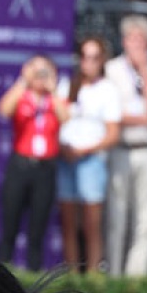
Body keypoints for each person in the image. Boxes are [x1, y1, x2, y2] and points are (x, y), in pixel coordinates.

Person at [105, 14, 147, 276]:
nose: (136, 44)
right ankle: (113, 277)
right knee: (117, 217)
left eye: (141, 39)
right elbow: (113, 115)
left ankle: (136, 279)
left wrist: (143, 71)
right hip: (120, 150)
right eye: (131, 38)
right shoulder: (112, 70)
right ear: (123, 41)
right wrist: (142, 118)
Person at [0, 55, 69, 271]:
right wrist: (23, 81)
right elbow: (4, 109)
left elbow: (65, 117)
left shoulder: (54, 99)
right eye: (37, 71)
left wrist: (52, 89)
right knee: (10, 228)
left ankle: (33, 282)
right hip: (20, 166)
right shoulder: (22, 96)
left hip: (45, 169)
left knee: (37, 231)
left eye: (45, 71)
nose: (40, 76)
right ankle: (2, 279)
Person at [57, 36, 121, 274]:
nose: (89, 63)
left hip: (91, 162)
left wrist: (84, 149)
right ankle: (72, 276)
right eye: (85, 57)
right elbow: (58, 121)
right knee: (68, 224)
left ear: (102, 60)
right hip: (66, 160)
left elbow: (113, 133)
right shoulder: (68, 85)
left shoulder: (108, 90)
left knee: (91, 225)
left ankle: (93, 278)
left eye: (94, 58)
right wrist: (63, 148)